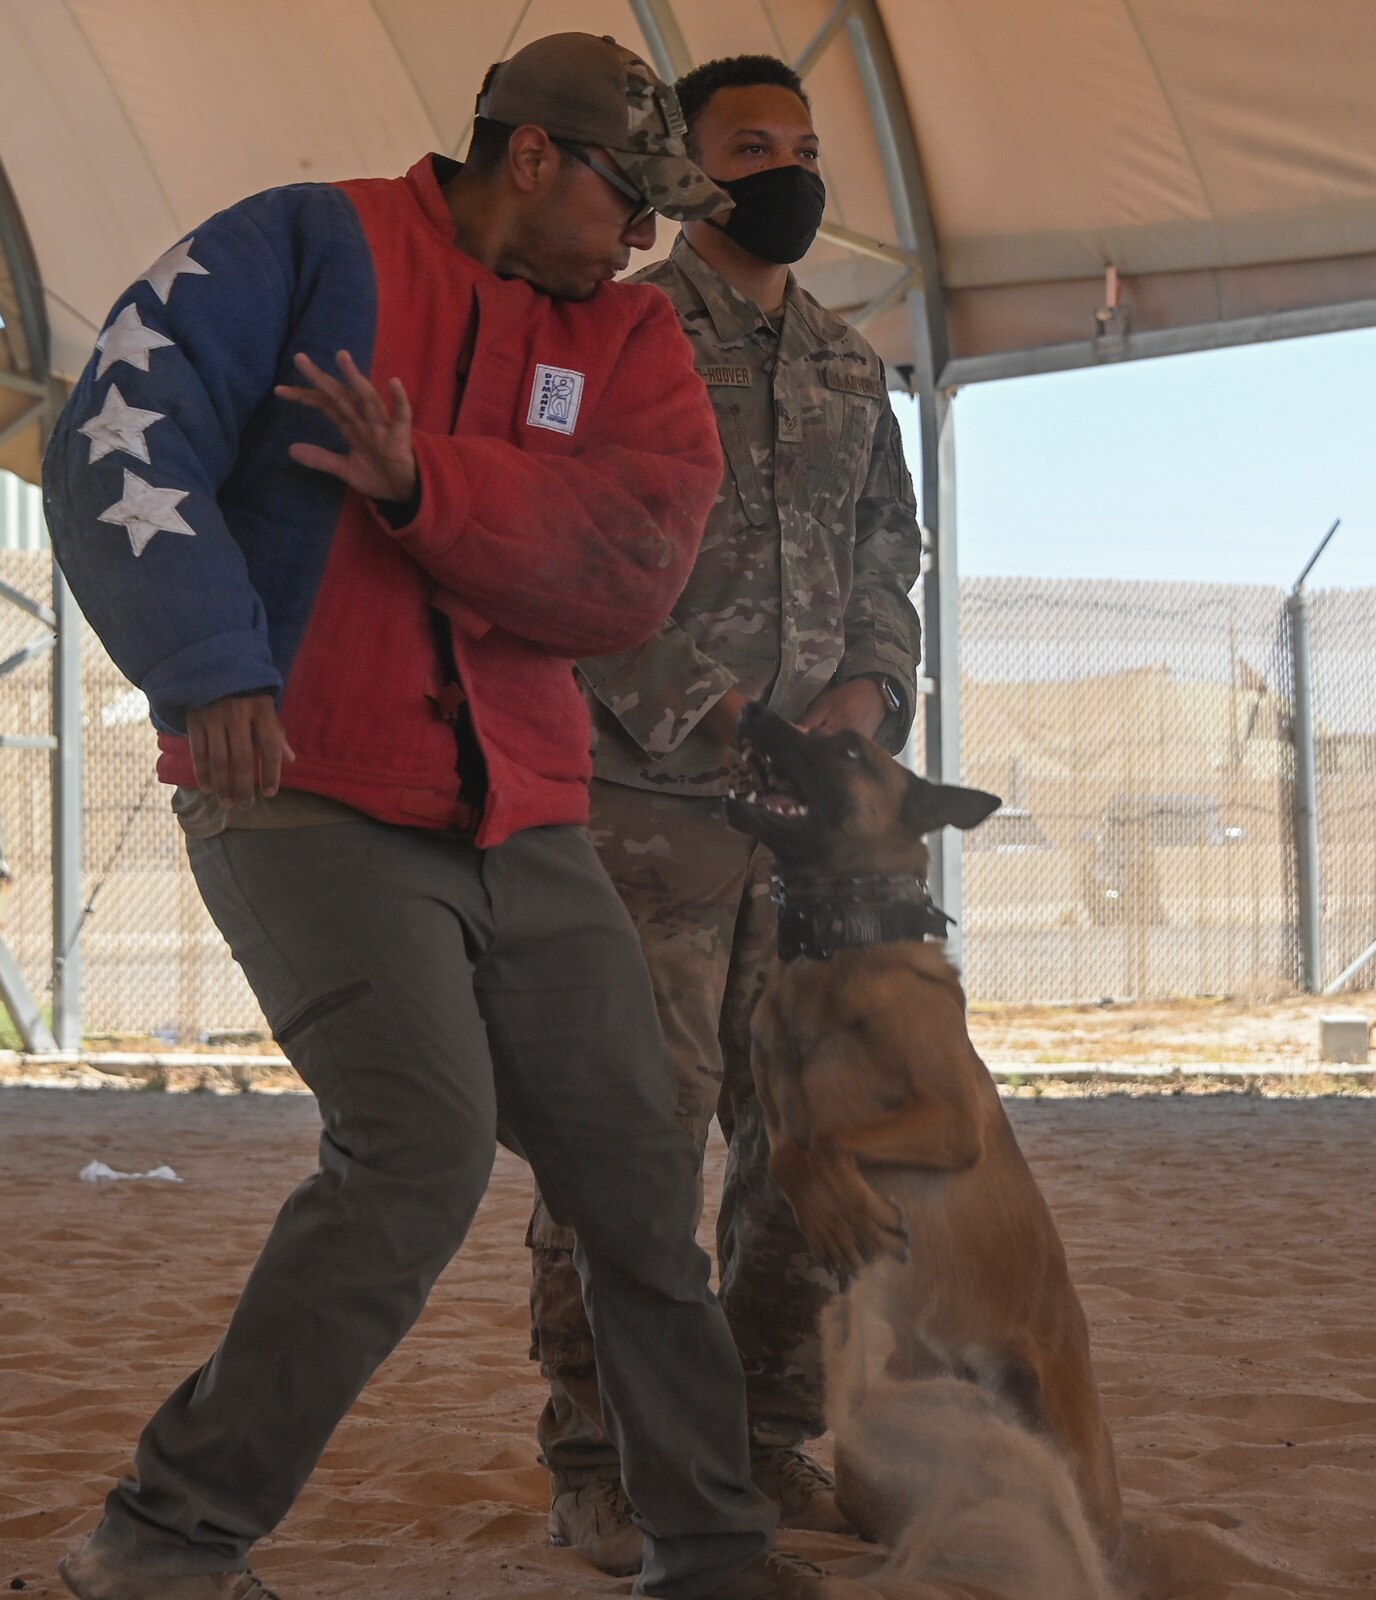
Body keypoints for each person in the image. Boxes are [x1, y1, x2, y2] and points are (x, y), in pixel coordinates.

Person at [41, 33, 826, 1600]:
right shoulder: (305, 243)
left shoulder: (624, 346)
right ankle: (162, 1543)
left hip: (525, 816)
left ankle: (709, 1550)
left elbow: (632, 560)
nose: (645, 242)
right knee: (417, 1152)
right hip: (303, 796)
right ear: (531, 155)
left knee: (635, 1172)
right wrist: (208, 662)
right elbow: (118, 437)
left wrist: (425, 490)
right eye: (627, 201)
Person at [527, 52, 922, 1574]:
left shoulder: (845, 362)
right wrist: (706, 705)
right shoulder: (611, 333)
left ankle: (761, 1440)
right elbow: (551, 544)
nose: (793, 171)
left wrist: (871, 696)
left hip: (810, 826)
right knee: (626, 1140)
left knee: (812, 1142)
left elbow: (892, 554)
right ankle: (601, 1458)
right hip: (643, 807)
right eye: (754, 146)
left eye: (810, 146)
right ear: (688, 174)